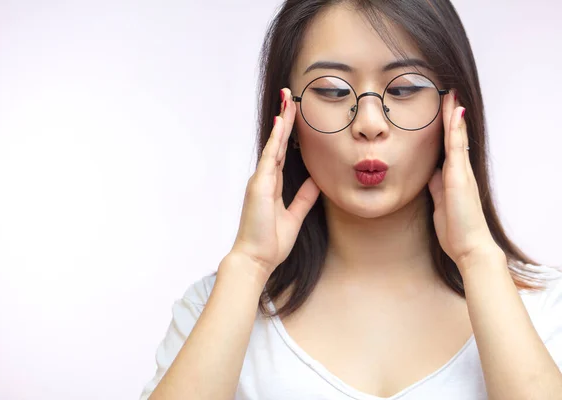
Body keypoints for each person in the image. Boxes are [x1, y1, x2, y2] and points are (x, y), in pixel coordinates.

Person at [140, 1, 562, 399]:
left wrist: (477, 258)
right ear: (287, 114)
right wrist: (248, 266)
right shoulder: (216, 308)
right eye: (333, 91)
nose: (369, 123)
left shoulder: (545, 309)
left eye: (405, 88)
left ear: (454, 107)